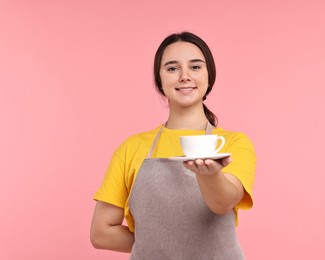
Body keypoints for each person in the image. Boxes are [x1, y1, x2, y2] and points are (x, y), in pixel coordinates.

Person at [90, 31, 256, 259]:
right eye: (172, 68)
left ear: (210, 77)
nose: (184, 76)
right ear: (160, 80)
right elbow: (101, 232)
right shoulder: (132, 148)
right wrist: (159, 245)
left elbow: (223, 203)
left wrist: (210, 175)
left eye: (195, 67)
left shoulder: (234, 143)